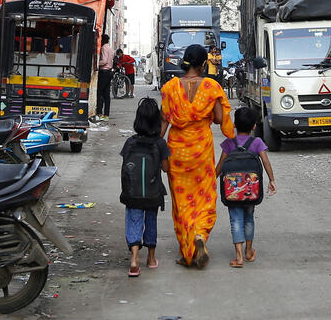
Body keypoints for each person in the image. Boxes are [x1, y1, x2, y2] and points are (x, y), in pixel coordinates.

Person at [160, 43, 234, 268]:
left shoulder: (170, 87)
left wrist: (154, 148)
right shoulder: (211, 86)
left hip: (177, 150)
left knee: (182, 201)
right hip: (201, 149)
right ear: (203, 64)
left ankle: (187, 251)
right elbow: (220, 119)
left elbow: (163, 122)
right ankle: (200, 235)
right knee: (203, 197)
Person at [217, 106, 275, 268]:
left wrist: (210, 181)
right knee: (249, 218)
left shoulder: (229, 143)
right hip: (251, 191)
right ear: (254, 126)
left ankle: (239, 256)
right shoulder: (257, 142)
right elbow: (265, 162)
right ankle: (249, 251)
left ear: (234, 125)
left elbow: (221, 165)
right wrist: (272, 180)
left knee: (235, 219)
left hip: (232, 192)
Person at [119, 98, 170, 277]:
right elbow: (165, 168)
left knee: (134, 220)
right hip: (152, 192)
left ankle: (134, 259)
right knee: (151, 221)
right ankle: (150, 258)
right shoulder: (160, 144)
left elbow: (126, 166)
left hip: (132, 193)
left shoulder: (130, 142)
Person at [95, 34, 115, 120]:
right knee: (107, 94)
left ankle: (99, 113)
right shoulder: (110, 48)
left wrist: (96, 64)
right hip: (109, 72)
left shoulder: (103, 48)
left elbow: (104, 61)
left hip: (104, 72)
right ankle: (106, 115)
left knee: (99, 93)